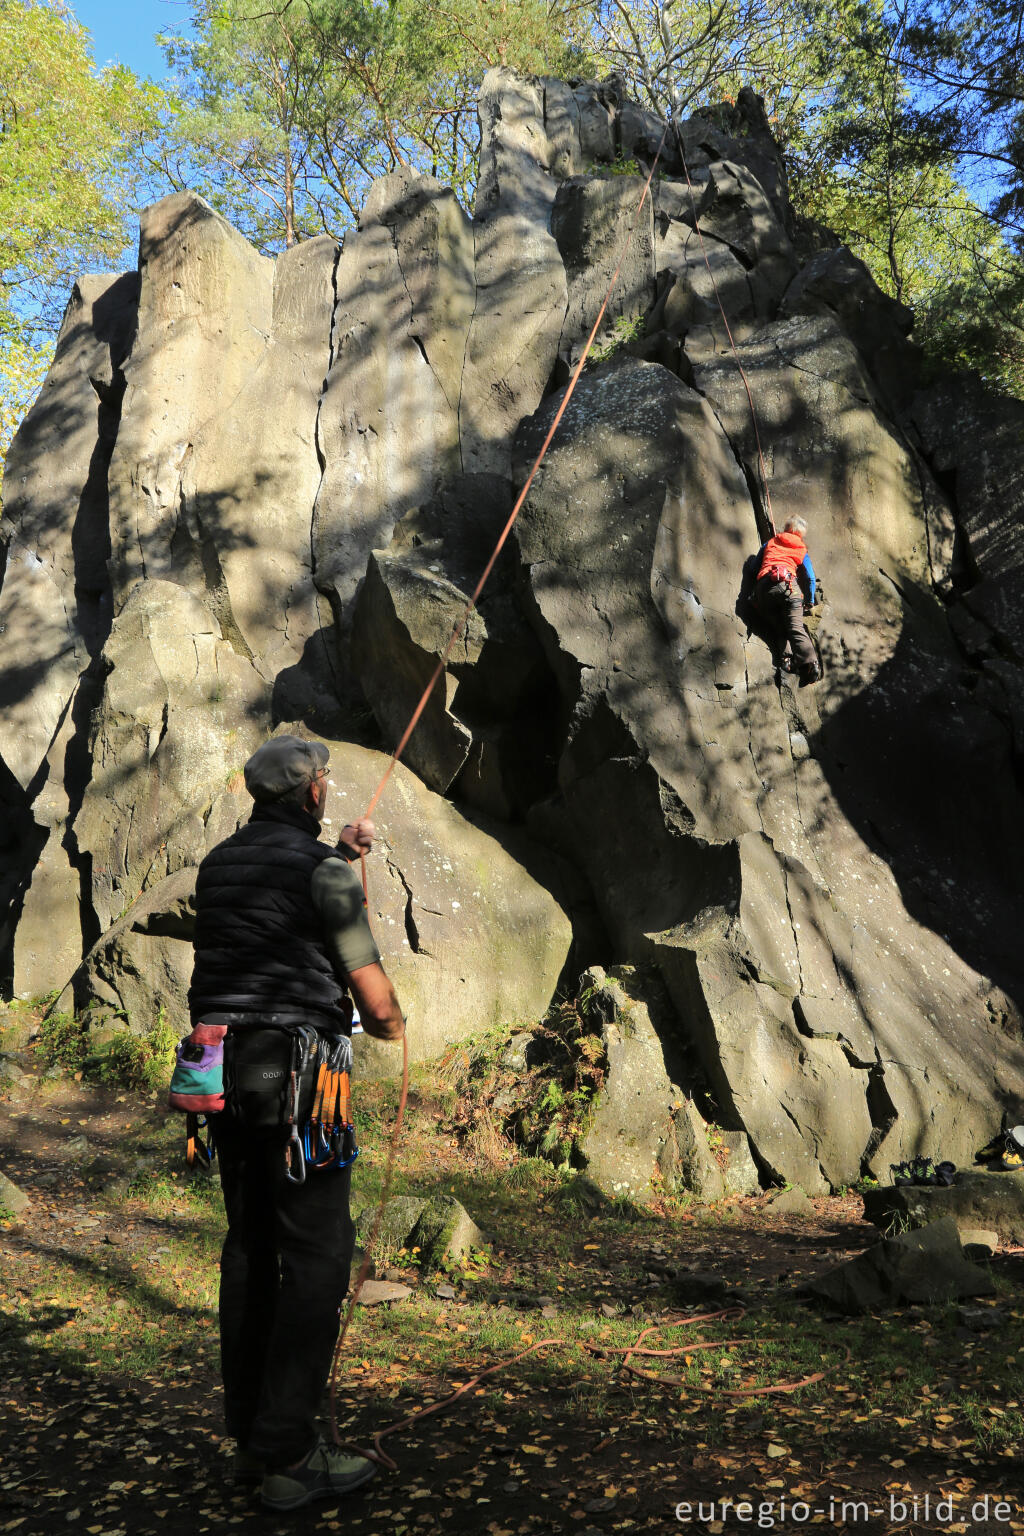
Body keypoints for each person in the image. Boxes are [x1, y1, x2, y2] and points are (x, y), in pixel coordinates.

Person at [188, 734, 405, 1512]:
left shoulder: (220, 864)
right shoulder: (324, 874)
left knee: (250, 1248)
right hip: (300, 1083)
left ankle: (252, 1438)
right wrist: (391, 1023)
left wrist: (342, 856)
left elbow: (271, 911)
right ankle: (289, 1452)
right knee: (318, 1255)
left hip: (223, 1075)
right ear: (312, 793)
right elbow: (374, 1004)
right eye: (325, 784)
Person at [752, 515, 820, 685]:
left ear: (786, 527)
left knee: (779, 625)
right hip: (789, 587)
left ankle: (787, 659)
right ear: (800, 534)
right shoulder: (801, 548)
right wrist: (810, 600)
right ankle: (810, 664)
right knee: (796, 627)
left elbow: (754, 566)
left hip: (765, 589)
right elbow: (811, 578)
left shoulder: (770, 542)